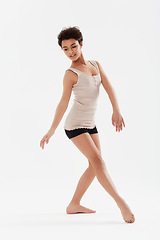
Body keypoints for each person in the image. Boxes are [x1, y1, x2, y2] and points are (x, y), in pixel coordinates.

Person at [40, 26, 135, 223]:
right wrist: (51, 130)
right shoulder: (70, 73)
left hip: (90, 123)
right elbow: (63, 103)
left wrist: (116, 110)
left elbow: (109, 88)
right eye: (65, 49)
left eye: (73, 46)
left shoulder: (96, 65)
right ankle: (121, 203)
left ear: (81, 44)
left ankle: (74, 204)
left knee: (94, 166)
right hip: (74, 125)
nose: (70, 52)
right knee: (99, 162)